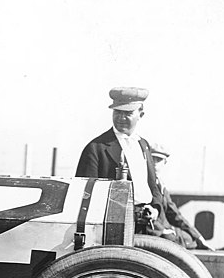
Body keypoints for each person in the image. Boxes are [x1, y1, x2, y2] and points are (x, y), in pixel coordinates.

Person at [76, 87, 187, 243]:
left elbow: (153, 187)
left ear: (140, 115)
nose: (121, 118)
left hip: (148, 226)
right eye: (117, 112)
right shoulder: (95, 148)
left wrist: (155, 208)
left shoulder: (143, 145)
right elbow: (86, 195)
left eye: (127, 113)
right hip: (114, 230)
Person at [149, 143, 213, 250]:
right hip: (154, 233)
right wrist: (163, 230)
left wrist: (198, 236)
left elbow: (174, 214)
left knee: (191, 240)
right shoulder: (143, 184)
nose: (155, 164)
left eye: (158, 160)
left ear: (165, 162)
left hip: (166, 232)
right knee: (186, 241)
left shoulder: (161, 185)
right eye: (152, 159)